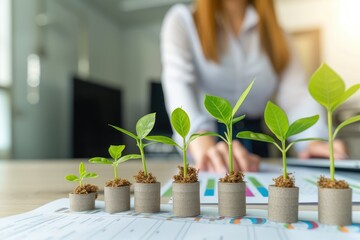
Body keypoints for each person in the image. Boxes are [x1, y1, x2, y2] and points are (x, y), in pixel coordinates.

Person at [160, 0, 348, 173]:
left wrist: (313, 140)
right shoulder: (183, 21)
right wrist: (205, 149)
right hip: (206, 147)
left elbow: (297, 99)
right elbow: (179, 89)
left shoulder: (278, 36)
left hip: (257, 147)